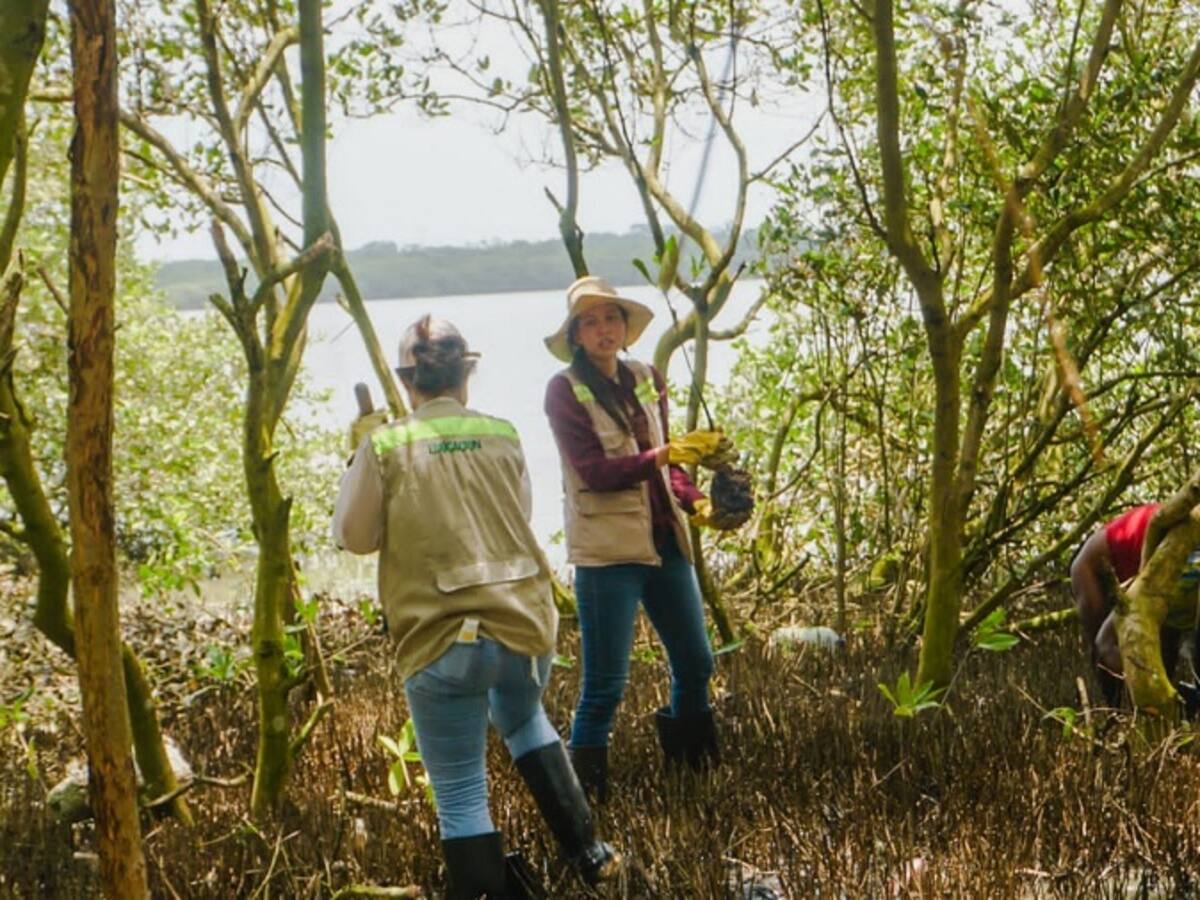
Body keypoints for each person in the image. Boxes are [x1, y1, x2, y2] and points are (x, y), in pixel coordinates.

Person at [334, 315, 619, 899]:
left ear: (406, 380)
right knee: (524, 718)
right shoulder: (502, 433)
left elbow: (355, 536)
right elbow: (516, 514)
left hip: (441, 644)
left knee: (462, 792)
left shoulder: (385, 444)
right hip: (523, 630)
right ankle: (590, 854)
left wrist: (358, 455)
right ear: (467, 375)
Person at [542, 275, 748, 803]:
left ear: (626, 326)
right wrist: (666, 456)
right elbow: (594, 471)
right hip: (608, 554)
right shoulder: (564, 390)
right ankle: (585, 805)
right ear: (575, 335)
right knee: (605, 685)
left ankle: (694, 777)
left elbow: (666, 465)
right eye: (589, 322)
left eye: (611, 317)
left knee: (696, 661)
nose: (603, 329)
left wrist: (696, 500)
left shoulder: (647, 377)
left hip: (664, 541)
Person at [1071, 502, 1200, 710]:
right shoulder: (1167, 575)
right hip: (1102, 566)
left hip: (1157, 566)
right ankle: (1118, 711)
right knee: (1107, 651)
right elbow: (1104, 645)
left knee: (1161, 651)